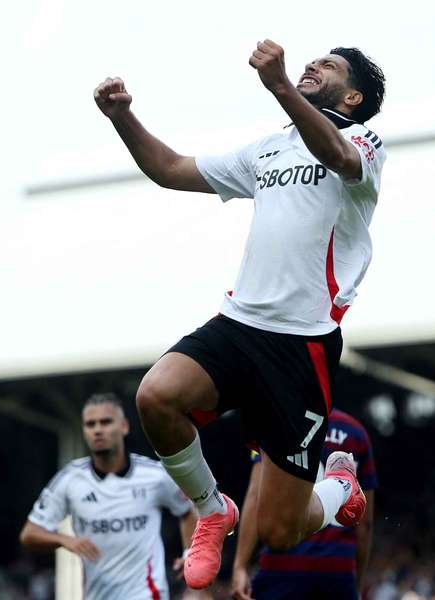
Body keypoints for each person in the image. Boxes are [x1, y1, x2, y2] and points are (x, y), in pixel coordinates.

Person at [94, 39, 386, 589]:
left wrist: (278, 87)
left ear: (352, 96)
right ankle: (212, 508)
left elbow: (338, 158)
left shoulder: (362, 141)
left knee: (281, 531)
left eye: (331, 65)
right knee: (156, 397)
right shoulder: (268, 150)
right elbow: (171, 168)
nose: (313, 63)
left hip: (302, 344)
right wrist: (123, 118)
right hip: (239, 323)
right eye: (313, 58)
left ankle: (339, 485)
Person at [19, 393, 198, 600]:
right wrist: (64, 539)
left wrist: (190, 554)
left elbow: (187, 512)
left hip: (148, 594)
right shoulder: (70, 479)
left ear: (124, 426)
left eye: (105, 422)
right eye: (90, 424)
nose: (97, 430)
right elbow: (29, 533)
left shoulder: (155, 475)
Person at [231, 408, 377, 600]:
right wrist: (355, 583)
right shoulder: (356, 432)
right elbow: (364, 523)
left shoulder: (280, 420)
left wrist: (240, 565)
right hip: (337, 570)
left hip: (284, 566)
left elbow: (255, 495)